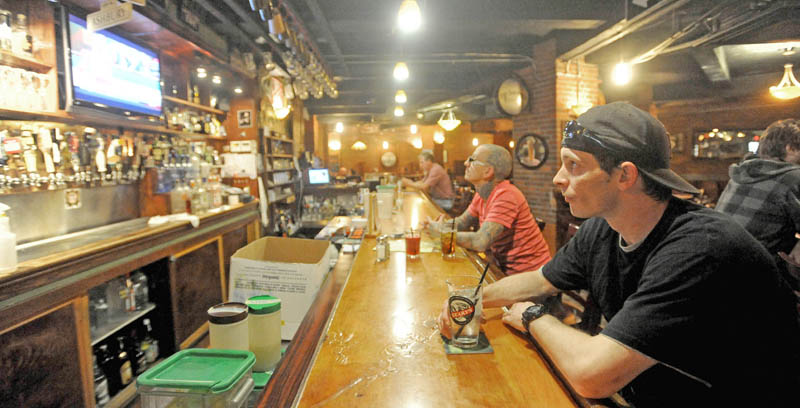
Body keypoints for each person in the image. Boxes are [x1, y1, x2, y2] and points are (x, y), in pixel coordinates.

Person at [440, 103, 800, 406]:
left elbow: (592, 376)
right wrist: (471, 299)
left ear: (625, 175)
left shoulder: (700, 247)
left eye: (574, 165)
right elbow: (540, 279)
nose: (558, 179)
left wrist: (534, 316)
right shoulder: (604, 227)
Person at [425, 144, 551, 274]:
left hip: (532, 276)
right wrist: (440, 226)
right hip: (505, 270)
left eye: (472, 160)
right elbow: (461, 223)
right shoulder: (482, 194)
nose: (466, 163)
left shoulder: (506, 195)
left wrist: (443, 235)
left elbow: (480, 241)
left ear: (488, 171)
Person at [716, 119, 800, 288]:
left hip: (716, 267)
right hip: (758, 276)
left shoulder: (743, 171)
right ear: (789, 148)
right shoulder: (793, 176)